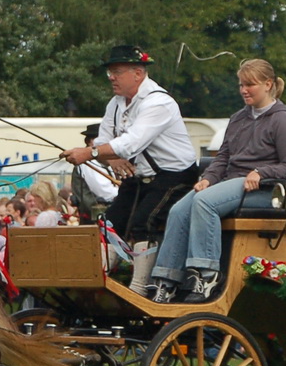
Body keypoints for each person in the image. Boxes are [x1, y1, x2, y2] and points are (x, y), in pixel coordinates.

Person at [147, 58, 286, 303]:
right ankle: (167, 280)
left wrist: (261, 173)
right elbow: (223, 157)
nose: (243, 90)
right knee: (178, 210)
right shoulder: (238, 119)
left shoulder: (283, 121)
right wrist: (208, 178)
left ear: (268, 84)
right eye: (241, 85)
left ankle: (207, 274)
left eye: (250, 84)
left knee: (205, 203)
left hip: (264, 189)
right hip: (231, 181)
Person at [60, 44, 200, 296]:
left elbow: (131, 142)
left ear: (138, 73)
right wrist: (111, 160)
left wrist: (89, 154)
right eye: (110, 72)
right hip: (141, 176)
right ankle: (97, 281)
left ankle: (140, 289)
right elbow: (104, 140)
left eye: (117, 71)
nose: (112, 77)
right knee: (109, 223)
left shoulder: (158, 102)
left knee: (142, 222)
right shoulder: (115, 104)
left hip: (175, 176)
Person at [69, 122, 117, 222]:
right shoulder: (87, 163)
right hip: (98, 219)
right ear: (90, 141)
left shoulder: (104, 160)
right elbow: (105, 192)